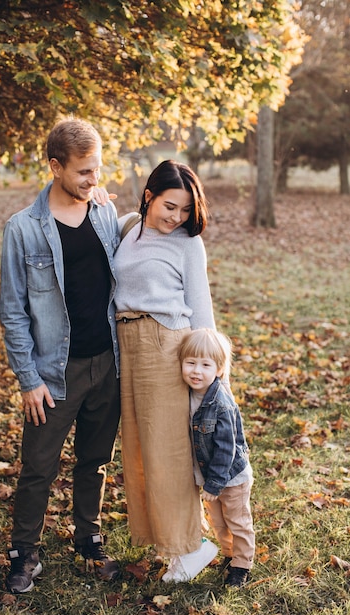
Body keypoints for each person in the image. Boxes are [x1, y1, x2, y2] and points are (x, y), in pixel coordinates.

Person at [0, 117, 121, 593]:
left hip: (106, 362)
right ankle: (24, 552)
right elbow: (12, 313)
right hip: (53, 372)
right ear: (55, 167)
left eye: (98, 170)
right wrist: (29, 379)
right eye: (83, 172)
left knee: (94, 460)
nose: (93, 181)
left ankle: (87, 538)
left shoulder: (105, 212)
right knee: (38, 468)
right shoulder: (23, 229)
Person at [114, 160, 219, 583]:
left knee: (170, 452)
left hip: (166, 343)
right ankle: (170, 542)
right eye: (170, 206)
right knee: (140, 450)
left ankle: (192, 548)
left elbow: (201, 307)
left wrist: (211, 373)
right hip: (127, 343)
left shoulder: (188, 245)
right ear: (148, 196)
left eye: (184, 211)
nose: (176, 218)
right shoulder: (125, 228)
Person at [179, 327, 255, 588]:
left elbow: (226, 449)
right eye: (190, 363)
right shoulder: (186, 394)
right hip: (210, 478)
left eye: (205, 364)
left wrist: (214, 484)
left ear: (219, 369)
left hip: (231, 477)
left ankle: (242, 565)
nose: (196, 371)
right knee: (219, 522)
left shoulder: (220, 403)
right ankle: (229, 555)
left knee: (238, 521)